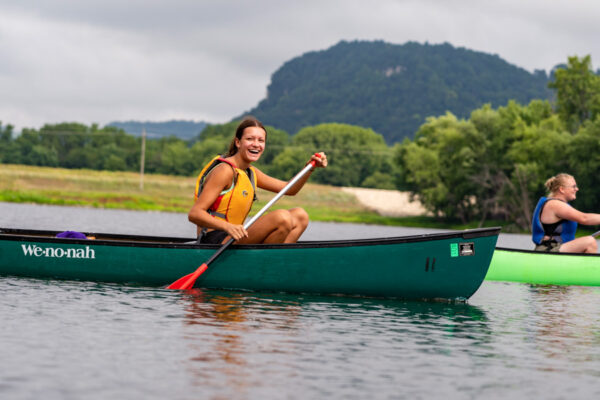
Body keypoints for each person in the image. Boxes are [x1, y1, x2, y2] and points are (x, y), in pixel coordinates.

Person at [188, 117, 327, 245]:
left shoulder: (250, 172)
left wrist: (309, 168)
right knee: (282, 217)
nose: (256, 144)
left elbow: (289, 189)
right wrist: (228, 227)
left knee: (300, 215)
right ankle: (265, 264)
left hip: (235, 236)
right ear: (238, 142)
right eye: (250, 139)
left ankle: (272, 262)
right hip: (214, 240)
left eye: (261, 140)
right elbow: (195, 214)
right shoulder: (224, 170)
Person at [532, 173, 600, 253]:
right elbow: (584, 218)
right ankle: (588, 266)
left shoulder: (560, 204)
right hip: (547, 250)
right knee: (589, 242)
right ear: (562, 189)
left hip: (556, 248)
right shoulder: (554, 204)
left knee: (587, 240)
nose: (577, 189)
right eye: (573, 186)